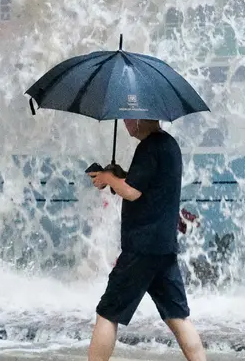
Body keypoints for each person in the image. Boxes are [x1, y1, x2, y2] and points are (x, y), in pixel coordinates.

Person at [86, 118, 207, 361]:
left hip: (141, 248)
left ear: (140, 118)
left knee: (108, 312)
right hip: (163, 248)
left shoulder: (149, 147)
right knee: (178, 316)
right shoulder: (169, 145)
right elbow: (148, 185)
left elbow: (132, 192)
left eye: (128, 118)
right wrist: (120, 175)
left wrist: (109, 178)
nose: (125, 123)